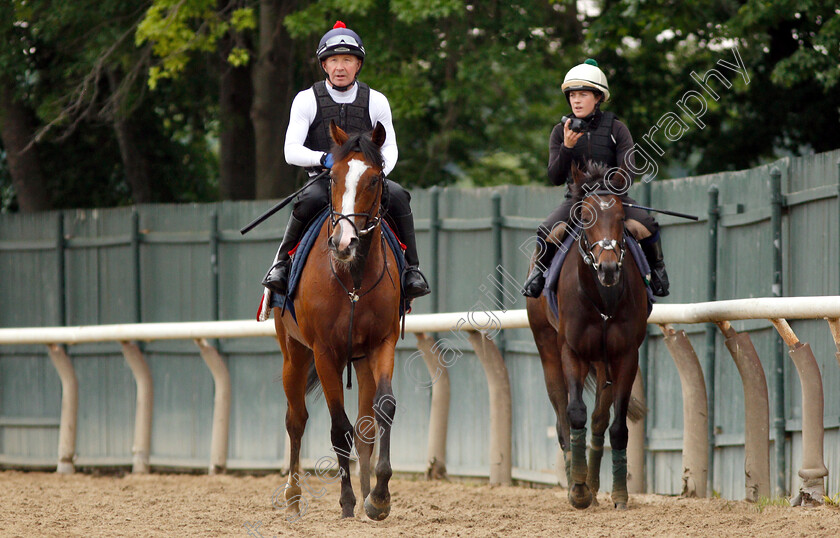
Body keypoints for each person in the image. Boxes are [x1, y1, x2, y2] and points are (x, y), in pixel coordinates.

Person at [261, 21, 430, 299]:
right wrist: (325, 160)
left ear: (358, 65)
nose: (340, 67)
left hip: (366, 182)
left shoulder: (376, 100)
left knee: (399, 196)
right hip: (325, 180)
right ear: (324, 65)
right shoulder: (306, 100)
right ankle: (281, 264)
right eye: (333, 60)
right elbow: (291, 151)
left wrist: (374, 173)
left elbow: (390, 148)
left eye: (347, 60)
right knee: (307, 202)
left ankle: (412, 269)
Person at [521, 59, 670, 298]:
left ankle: (658, 271)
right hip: (577, 201)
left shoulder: (617, 129)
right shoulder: (560, 132)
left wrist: (608, 190)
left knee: (648, 225)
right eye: (572, 96)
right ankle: (538, 273)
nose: (576, 100)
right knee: (546, 229)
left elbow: (628, 171)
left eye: (582, 94)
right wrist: (567, 148)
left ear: (598, 97)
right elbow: (555, 177)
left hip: (613, 199)